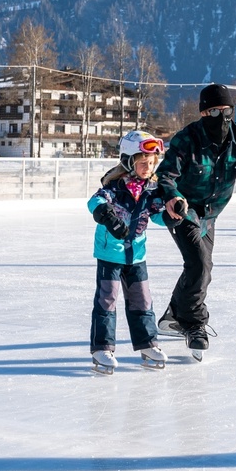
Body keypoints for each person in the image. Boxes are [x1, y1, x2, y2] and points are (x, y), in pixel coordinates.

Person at [155, 83, 236, 359]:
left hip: (210, 215)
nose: (221, 117)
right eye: (214, 111)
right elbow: (166, 175)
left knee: (202, 270)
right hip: (183, 210)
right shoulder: (188, 138)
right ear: (203, 112)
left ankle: (173, 315)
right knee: (199, 264)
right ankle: (195, 324)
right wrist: (172, 197)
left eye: (226, 110)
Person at [86, 130, 171, 374]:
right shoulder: (115, 187)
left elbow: (156, 216)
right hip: (110, 254)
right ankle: (102, 348)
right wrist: (107, 215)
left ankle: (148, 344)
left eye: (152, 163)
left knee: (142, 301)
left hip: (137, 255)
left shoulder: (151, 189)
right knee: (107, 300)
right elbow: (95, 202)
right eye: (143, 162)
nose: (148, 167)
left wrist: (172, 217)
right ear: (128, 161)